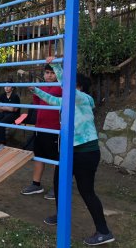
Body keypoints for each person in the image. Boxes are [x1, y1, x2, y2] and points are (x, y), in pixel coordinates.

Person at [31, 57, 115, 246]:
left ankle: (104, 231)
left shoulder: (83, 98)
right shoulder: (66, 101)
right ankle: (61, 216)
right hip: (71, 152)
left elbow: (66, 88)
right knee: (59, 182)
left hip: (86, 152)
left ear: (77, 86)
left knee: (87, 192)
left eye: (69, 83)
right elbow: (52, 99)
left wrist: (56, 66)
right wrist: (35, 90)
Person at [21, 63, 61, 200]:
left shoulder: (61, 87)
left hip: (54, 129)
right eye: (47, 73)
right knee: (39, 156)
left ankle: (57, 188)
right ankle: (36, 184)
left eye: (52, 73)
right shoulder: (41, 87)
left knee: (56, 159)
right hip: (40, 127)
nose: (49, 75)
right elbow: (37, 104)